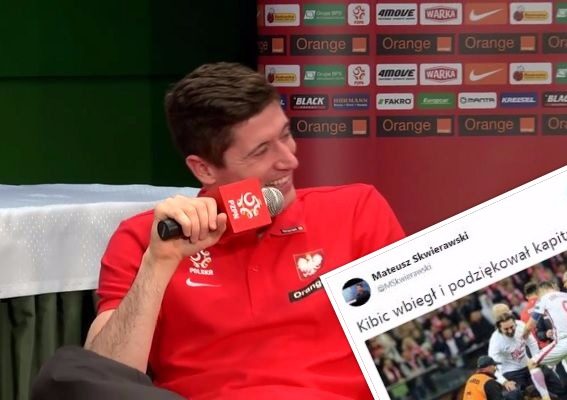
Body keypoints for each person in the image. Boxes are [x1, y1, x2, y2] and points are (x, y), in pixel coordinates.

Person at [54, 62, 405, 400]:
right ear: (204, 169)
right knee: (60, 372)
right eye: (261, 151)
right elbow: (103, 383)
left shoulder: (356, 210)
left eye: (286, 135)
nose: (289, 159)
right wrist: (159, 263)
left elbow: (416, 345)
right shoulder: (148, 239)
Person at [488, 312, 566, 400]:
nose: (510, 331)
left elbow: (532, 343)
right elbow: (491, 367)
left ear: (515, 323)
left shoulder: (521, 326)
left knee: (553, 381)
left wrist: (536, 360)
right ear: (499, 328)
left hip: (528, 364)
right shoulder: (495, 341)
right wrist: (505, 382)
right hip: (512, 372)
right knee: (524, 394)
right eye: (506, 329)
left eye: (512, 327)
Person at [523, 281, 567, 381]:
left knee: (532, 363)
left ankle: (543, 392)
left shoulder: (543, 300)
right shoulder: (565, 295)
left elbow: (530, 325)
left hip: (563, 341)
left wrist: (523, 336)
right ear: (552, 286)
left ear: (540, 292)